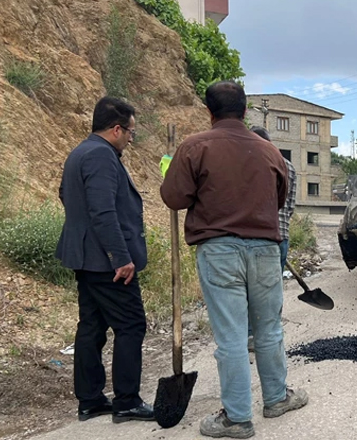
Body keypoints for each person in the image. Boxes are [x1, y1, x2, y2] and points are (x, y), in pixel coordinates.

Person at [160, 81, 308, 438]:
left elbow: (174, 198)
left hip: (219, 250)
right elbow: (278, 199)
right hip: (265, 249)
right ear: (245, 111)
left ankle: (238, 418)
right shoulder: (271, 152)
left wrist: (171, 172)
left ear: (209, 112)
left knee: (232, 335)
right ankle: (276, 398)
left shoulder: (195, 147)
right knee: (269, 328)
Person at [56, 96, 155, 423]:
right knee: (131, 325)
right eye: (130, 132)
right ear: (116, 129)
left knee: (93, 326)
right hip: (106, 261)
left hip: (86, 258)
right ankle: (126, 401)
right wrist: (120, 257)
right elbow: (103, 212)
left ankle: (90, 399)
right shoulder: (101, 156)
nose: (131, 137)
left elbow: (66, 196)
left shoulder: (80, 152)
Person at [250, 126, 297, 271]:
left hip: (257, 237)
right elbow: (290, 207)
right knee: (275, 288)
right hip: (281, 235)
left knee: (253, 289)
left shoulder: (252, 164)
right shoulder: (289, 166)